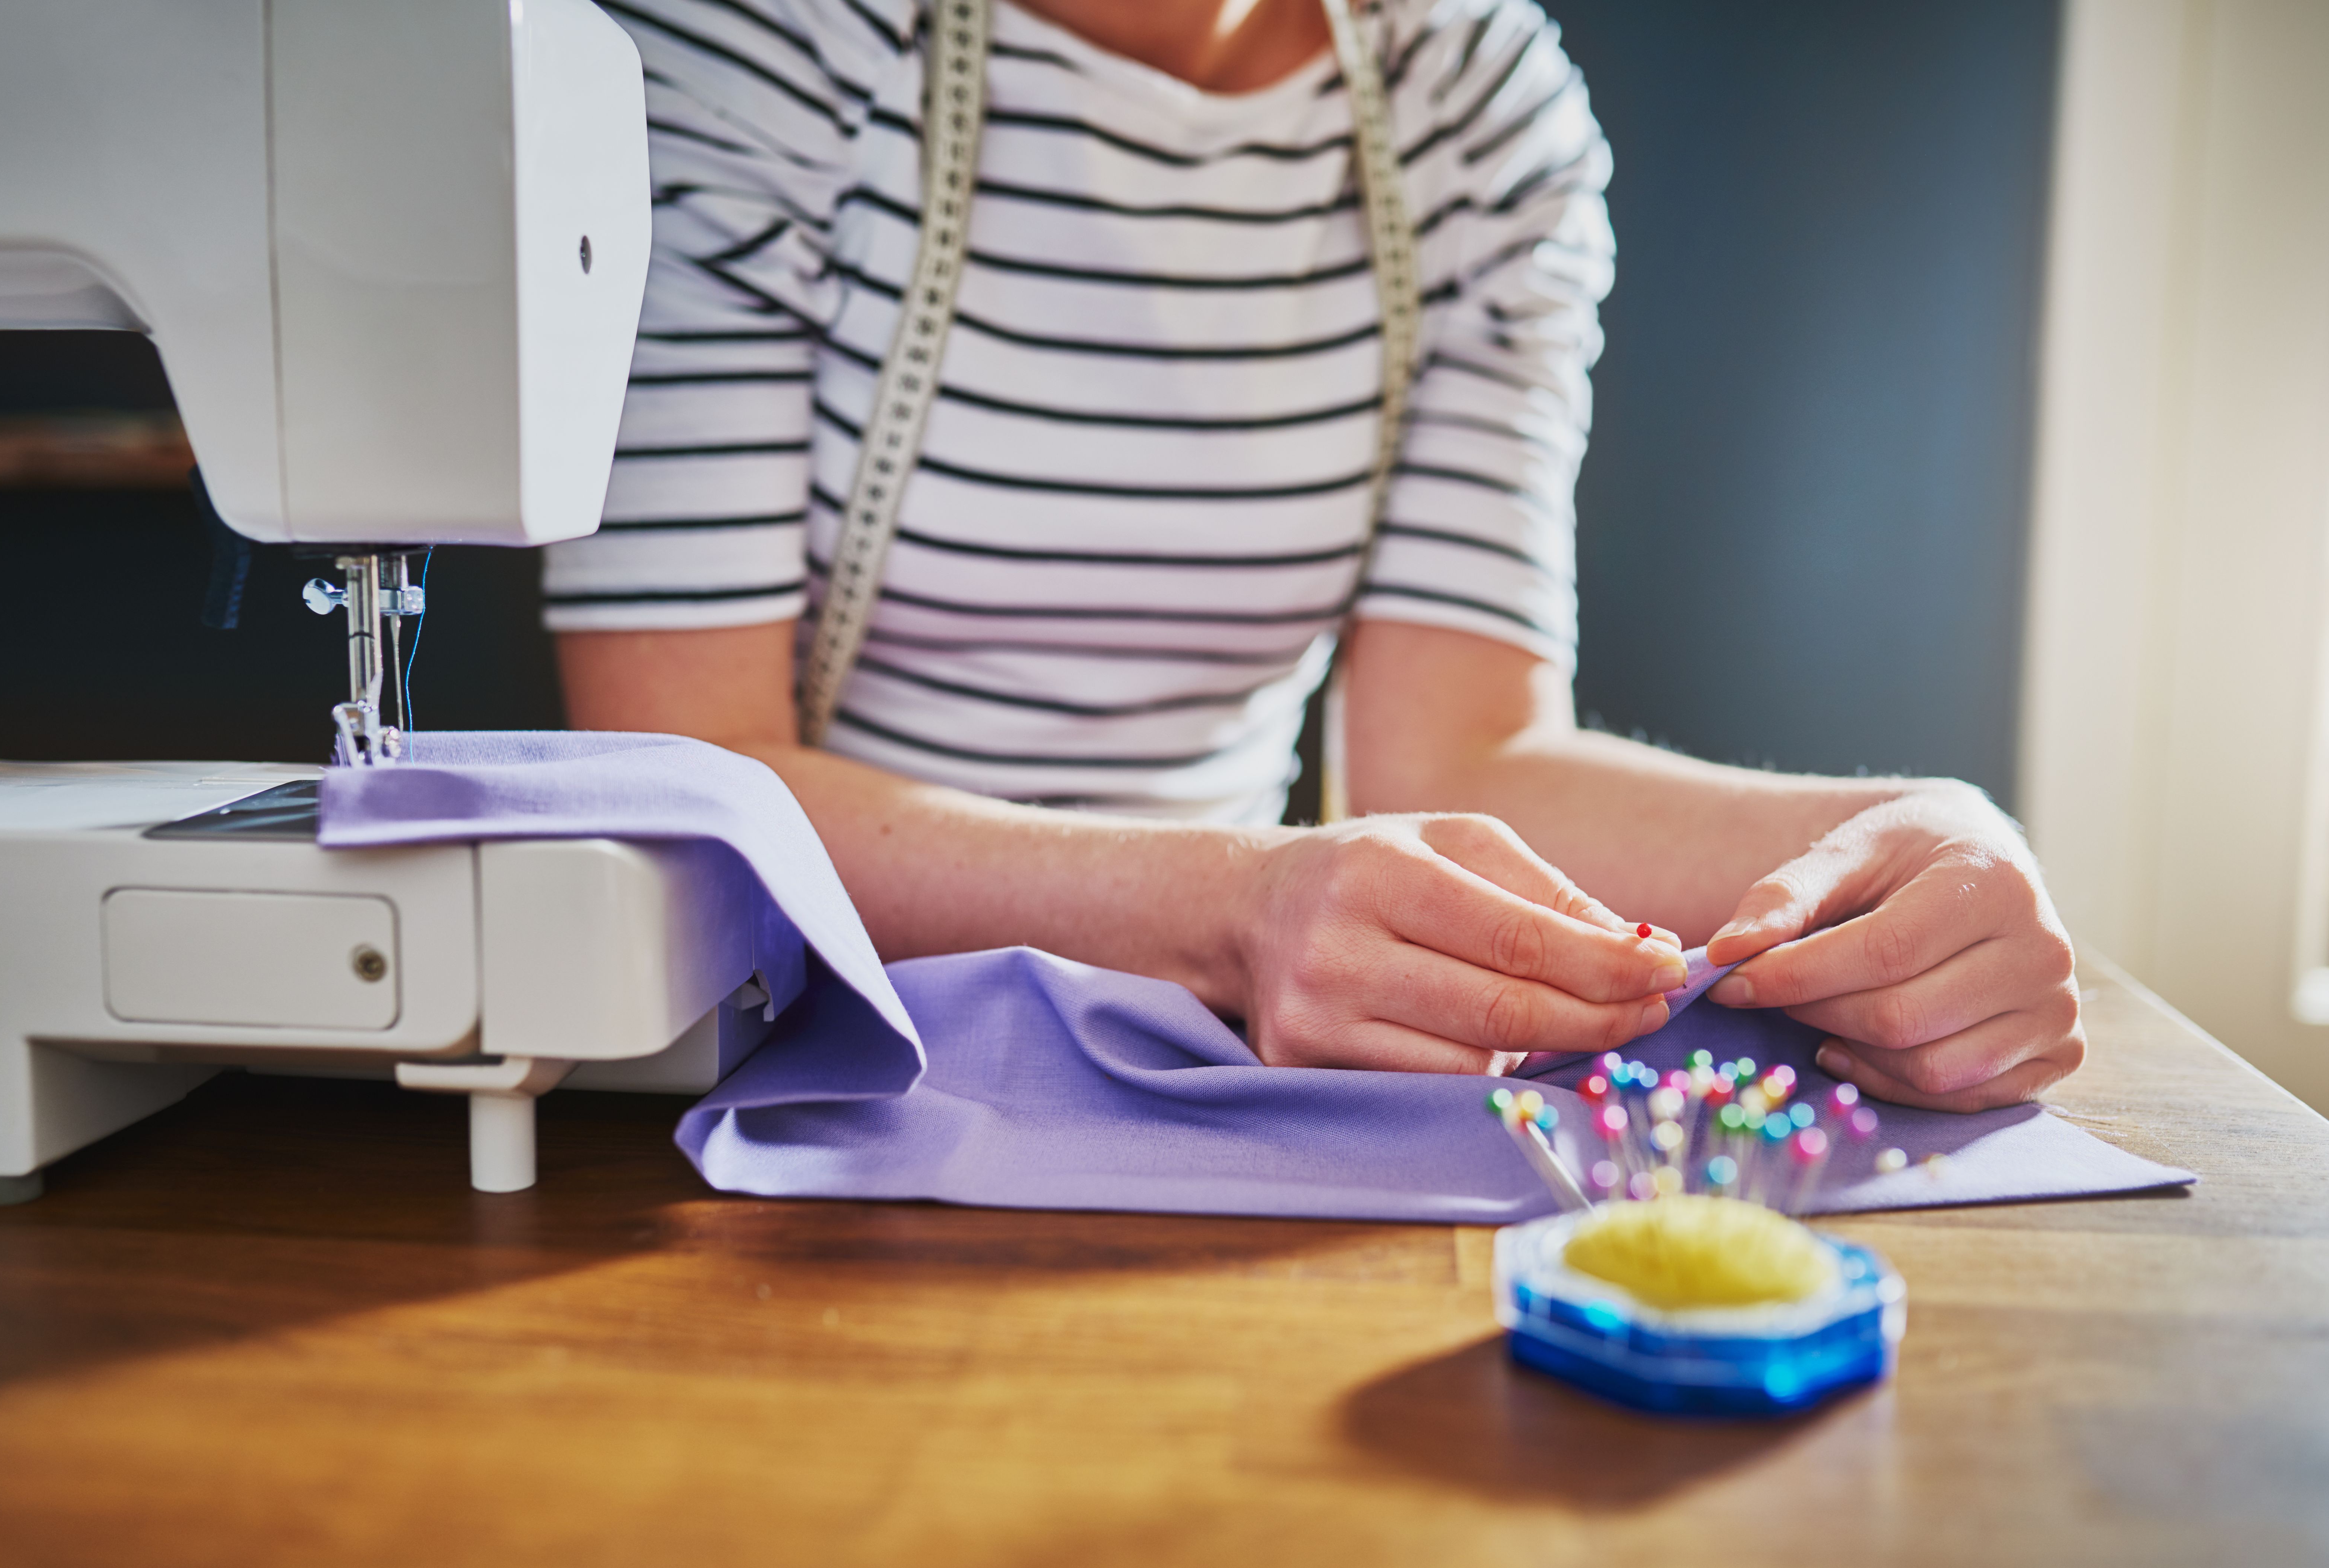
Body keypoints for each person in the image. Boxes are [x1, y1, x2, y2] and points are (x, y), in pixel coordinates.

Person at [546, 0, 2083, 1112]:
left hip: (1237, 1066)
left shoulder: (1468, 101)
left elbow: (1465, 762)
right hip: (808, 1056)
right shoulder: (758, 43)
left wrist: (1912, 842)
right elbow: (688, 769)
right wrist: (1232, 903)